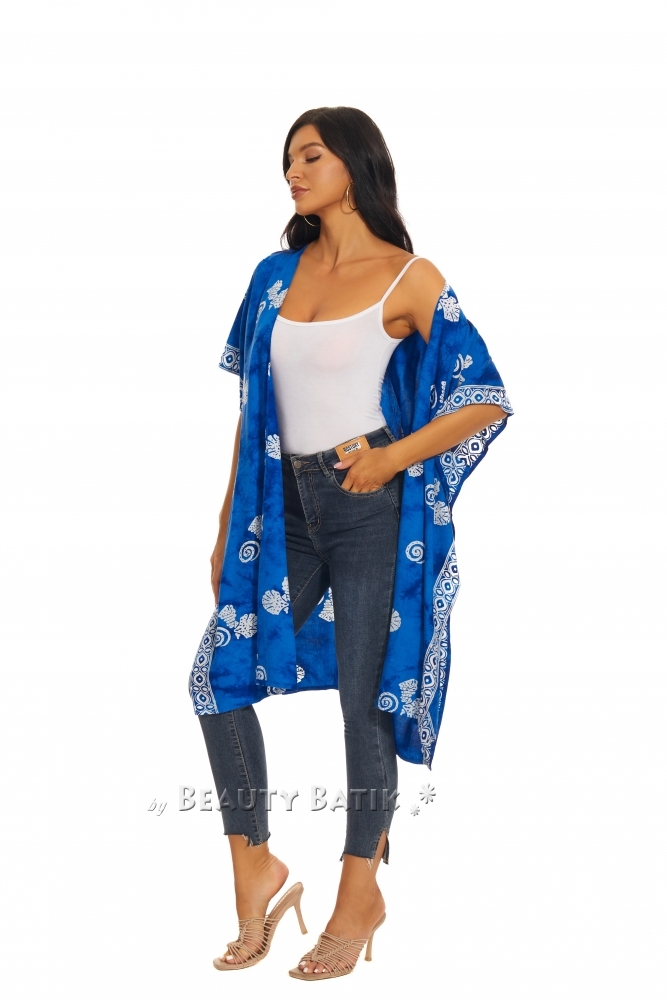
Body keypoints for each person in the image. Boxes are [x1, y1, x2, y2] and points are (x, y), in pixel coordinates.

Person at [189, 106, 513, 979]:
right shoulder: (272, 276)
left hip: (371, 508)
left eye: (310, 157)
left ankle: (357, 892)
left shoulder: (408, 276)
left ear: (353, 167)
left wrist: (391, 457)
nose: (292, 173)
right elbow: (251, 410)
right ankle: (255, 866)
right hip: (281, 513)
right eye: (288, 160)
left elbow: (483, 396)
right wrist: (225, 526)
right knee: (215, 677)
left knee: (364, 707)